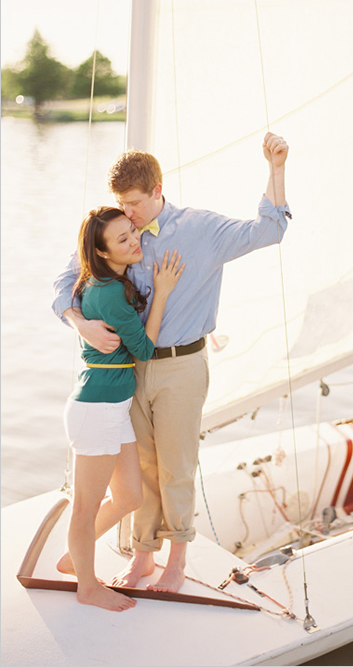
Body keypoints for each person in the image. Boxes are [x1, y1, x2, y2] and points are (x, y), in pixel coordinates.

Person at [52, 132, 290, 593]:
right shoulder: (118, 230)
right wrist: (78, 322)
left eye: (136, 203)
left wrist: (275, 169)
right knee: (142, 468)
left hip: (182, 365)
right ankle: (143, 554)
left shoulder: (201, 229)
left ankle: (177, 558)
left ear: (158, 191)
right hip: (130, 368)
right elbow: (66, 281)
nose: (129, 214)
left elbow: (270, 230)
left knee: (177, 466)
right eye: (122, 203)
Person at [56, 206, 184, 612]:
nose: (135, 241)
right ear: (103, 252)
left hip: (111, 408)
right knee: (86, 504)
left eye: (133, 232)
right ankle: (88, 586)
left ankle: (72, 557)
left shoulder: (105, 282)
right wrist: (162, 292)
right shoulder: (109, 292)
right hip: (97, 410)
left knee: (128, 496)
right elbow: (144, 350)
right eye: (123, 239)